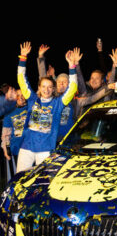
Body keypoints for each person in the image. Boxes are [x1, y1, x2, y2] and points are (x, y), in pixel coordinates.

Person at [16, 42, 78, 172]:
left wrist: (71, 66)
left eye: (50, 87)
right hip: (26, 148)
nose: (46, 89)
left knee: (44, 183)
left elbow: (72, 88)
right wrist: (23, 58)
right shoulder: (32, 99)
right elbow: (21, 79)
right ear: (39, 87)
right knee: (20, 180)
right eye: (43, 86)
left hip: (45, 151)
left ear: (53, 89)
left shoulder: (58, 104)